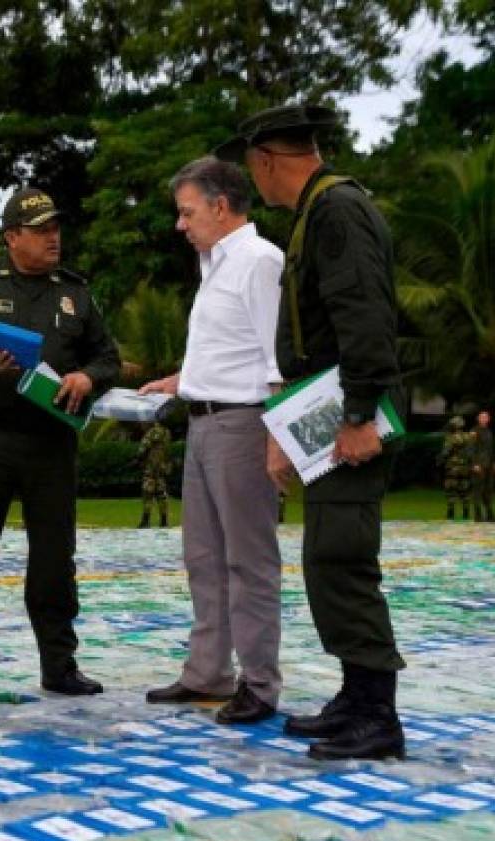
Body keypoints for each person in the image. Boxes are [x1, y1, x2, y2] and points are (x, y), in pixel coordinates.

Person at [219, 104, 406, 760]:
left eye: (253, 167)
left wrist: (357, 416)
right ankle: (356, 696)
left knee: (343, 557)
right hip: (327, 409)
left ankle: (376, 713)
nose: (255, 179)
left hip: (348, 414)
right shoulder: (317, 213)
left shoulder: (335, 211)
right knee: (328, 555)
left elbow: (363, 315)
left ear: (266, 160)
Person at [0, 186, 121, 709]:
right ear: (13, 238)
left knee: (55, 564)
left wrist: (86, 377)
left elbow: (108, 358)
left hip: (51, 443)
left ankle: (59, 667)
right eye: (40, 231)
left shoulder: (76, 294)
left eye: (56, 229)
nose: (53, 239)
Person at [140, 157, 284, 726]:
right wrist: (184, 380)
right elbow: (234, 348)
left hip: (243, 426)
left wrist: (275, 437)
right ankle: (207, 673)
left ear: (221, 207)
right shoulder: (215, 264)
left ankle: (260, 683)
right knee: (203, 557)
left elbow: (276, 358)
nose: (181, 224)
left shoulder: (258, 261)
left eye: (187, 211)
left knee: (249, 561)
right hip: (203, 423)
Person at [137, 421, 173, 528]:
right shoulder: (167, 433)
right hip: (161, 468)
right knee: (161, 494)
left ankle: (145, 520)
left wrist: (138, 458)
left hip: (151, 468)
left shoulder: (152, 432)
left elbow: (142, 449)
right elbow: (167, 450)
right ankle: (164, 521)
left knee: (148, 494)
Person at [437, 416, 474, 521]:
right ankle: (466, 514)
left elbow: (446, 452)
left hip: (453, 467)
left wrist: (440, 460)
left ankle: (451, 513)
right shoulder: (469, 437)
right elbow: (471, 453)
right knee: (465, 490)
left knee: (450, 490)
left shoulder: (451, 437)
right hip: (465, 468)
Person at [471, 410, 495, 522]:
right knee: (478, 490)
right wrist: (474, 464)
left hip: (488, 464)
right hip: (479, 465)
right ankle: (478, 515)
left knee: (488, 490)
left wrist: (494, 462)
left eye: (486, 417)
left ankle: (490, 514)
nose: (484, 419)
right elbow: (471, 448)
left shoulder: (488, 432)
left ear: (489, 419)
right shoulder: (474, 431)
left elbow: (490, 449)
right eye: (482, 417)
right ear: (478, 419)